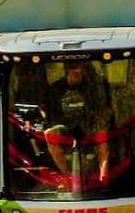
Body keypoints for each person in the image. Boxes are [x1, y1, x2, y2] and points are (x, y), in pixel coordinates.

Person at [42, 60, 112, 189]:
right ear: (66, 70)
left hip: (89, 125)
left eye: (79, 69)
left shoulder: (93, 86)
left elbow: (101, 109)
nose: (77, 72)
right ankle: (67, 175)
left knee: (102, 135)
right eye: (73, 70)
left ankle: (103, 174)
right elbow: (50, 114)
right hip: (65, 127)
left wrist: (98, 122)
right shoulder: (56, 89)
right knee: (49, 134)